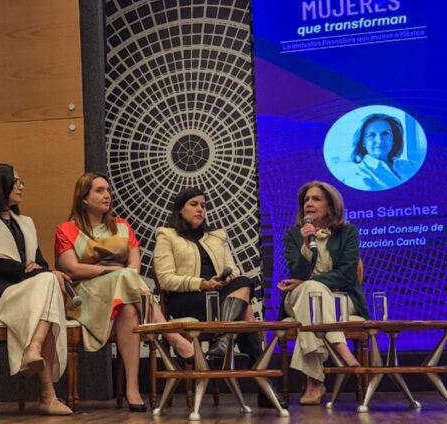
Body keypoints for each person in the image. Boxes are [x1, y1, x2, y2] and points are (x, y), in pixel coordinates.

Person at [54, 172, 194, 412]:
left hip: (124, 292)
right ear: (83, 198)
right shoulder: (66, 229)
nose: (107, 195)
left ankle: (132, 387)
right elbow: (72, 268)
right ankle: (171, 335)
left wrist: (120, 274)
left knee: (128, 309)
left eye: (108, 190)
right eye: (99, 190)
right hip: (85, 296)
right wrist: (110, 271)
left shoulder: (122, 226)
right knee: (126, 277)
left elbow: (134, 267)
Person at [153, 187, 287, 408]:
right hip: (188, 299)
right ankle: (265, 387)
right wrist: (201, 283)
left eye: (203, 205)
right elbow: (166, 279)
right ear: (180, 209)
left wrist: (222, 280)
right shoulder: (166, 236)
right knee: (245, 313)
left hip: (220, 297)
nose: (200, 209)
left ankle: (222, 338)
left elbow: (233, 270)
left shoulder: (217, 237)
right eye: (194, 204)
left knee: (243, 281)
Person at [0, 164, 72, 416]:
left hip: (28, 291)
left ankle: (34, 349)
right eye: (15, 182)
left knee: (48, 284)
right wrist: (33, 271)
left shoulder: (25, 223)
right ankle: (47, 394)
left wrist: (43, 271)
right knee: (48, 286)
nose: (21, 186)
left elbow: (40, 263)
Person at [277, 181, 370, 405]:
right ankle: (340, 347)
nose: (309, 203)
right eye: (306, 200)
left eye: (316, 199)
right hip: (298, 298)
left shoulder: (348, 232)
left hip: (341, 297)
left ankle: (314, 381)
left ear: (331, 206)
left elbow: (347, 275)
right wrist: (305, 245)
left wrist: (308, 283)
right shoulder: (293, 235)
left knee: (313, 291)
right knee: (311, 292)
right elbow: (298, 272)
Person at [344, 113, 418, 190]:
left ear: (394, 139)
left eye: (385, 133)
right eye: (371, 135)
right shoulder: (358, 174)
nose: (379, 140)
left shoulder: (412, 165)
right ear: (363, 142)